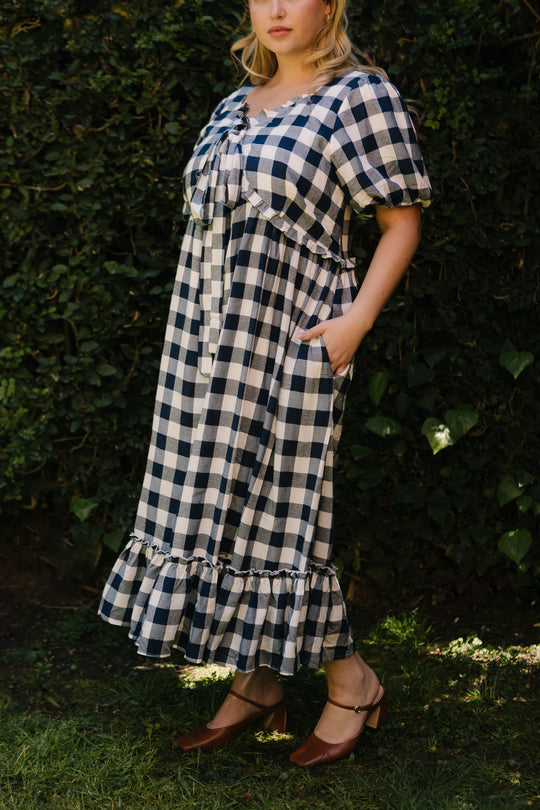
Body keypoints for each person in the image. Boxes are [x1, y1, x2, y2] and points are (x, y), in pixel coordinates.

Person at [99, 0, 433, 767]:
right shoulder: (233, 106)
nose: (277, 9)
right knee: (220, 514)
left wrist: (356, 322)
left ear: (332, 5)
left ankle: (353, 682)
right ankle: (258, 683)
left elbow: (402, 223)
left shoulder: (357, 96)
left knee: (282, 521)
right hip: (204, 349)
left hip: (292, 344)